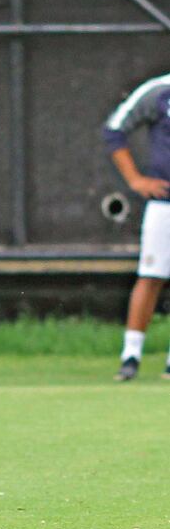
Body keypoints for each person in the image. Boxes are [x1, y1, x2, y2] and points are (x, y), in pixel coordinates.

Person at [103, 73, 170, 381]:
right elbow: (116, 128)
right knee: (151, 275)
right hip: (163, 204)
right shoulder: (159, 90)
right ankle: (131, 356)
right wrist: (135, 180)